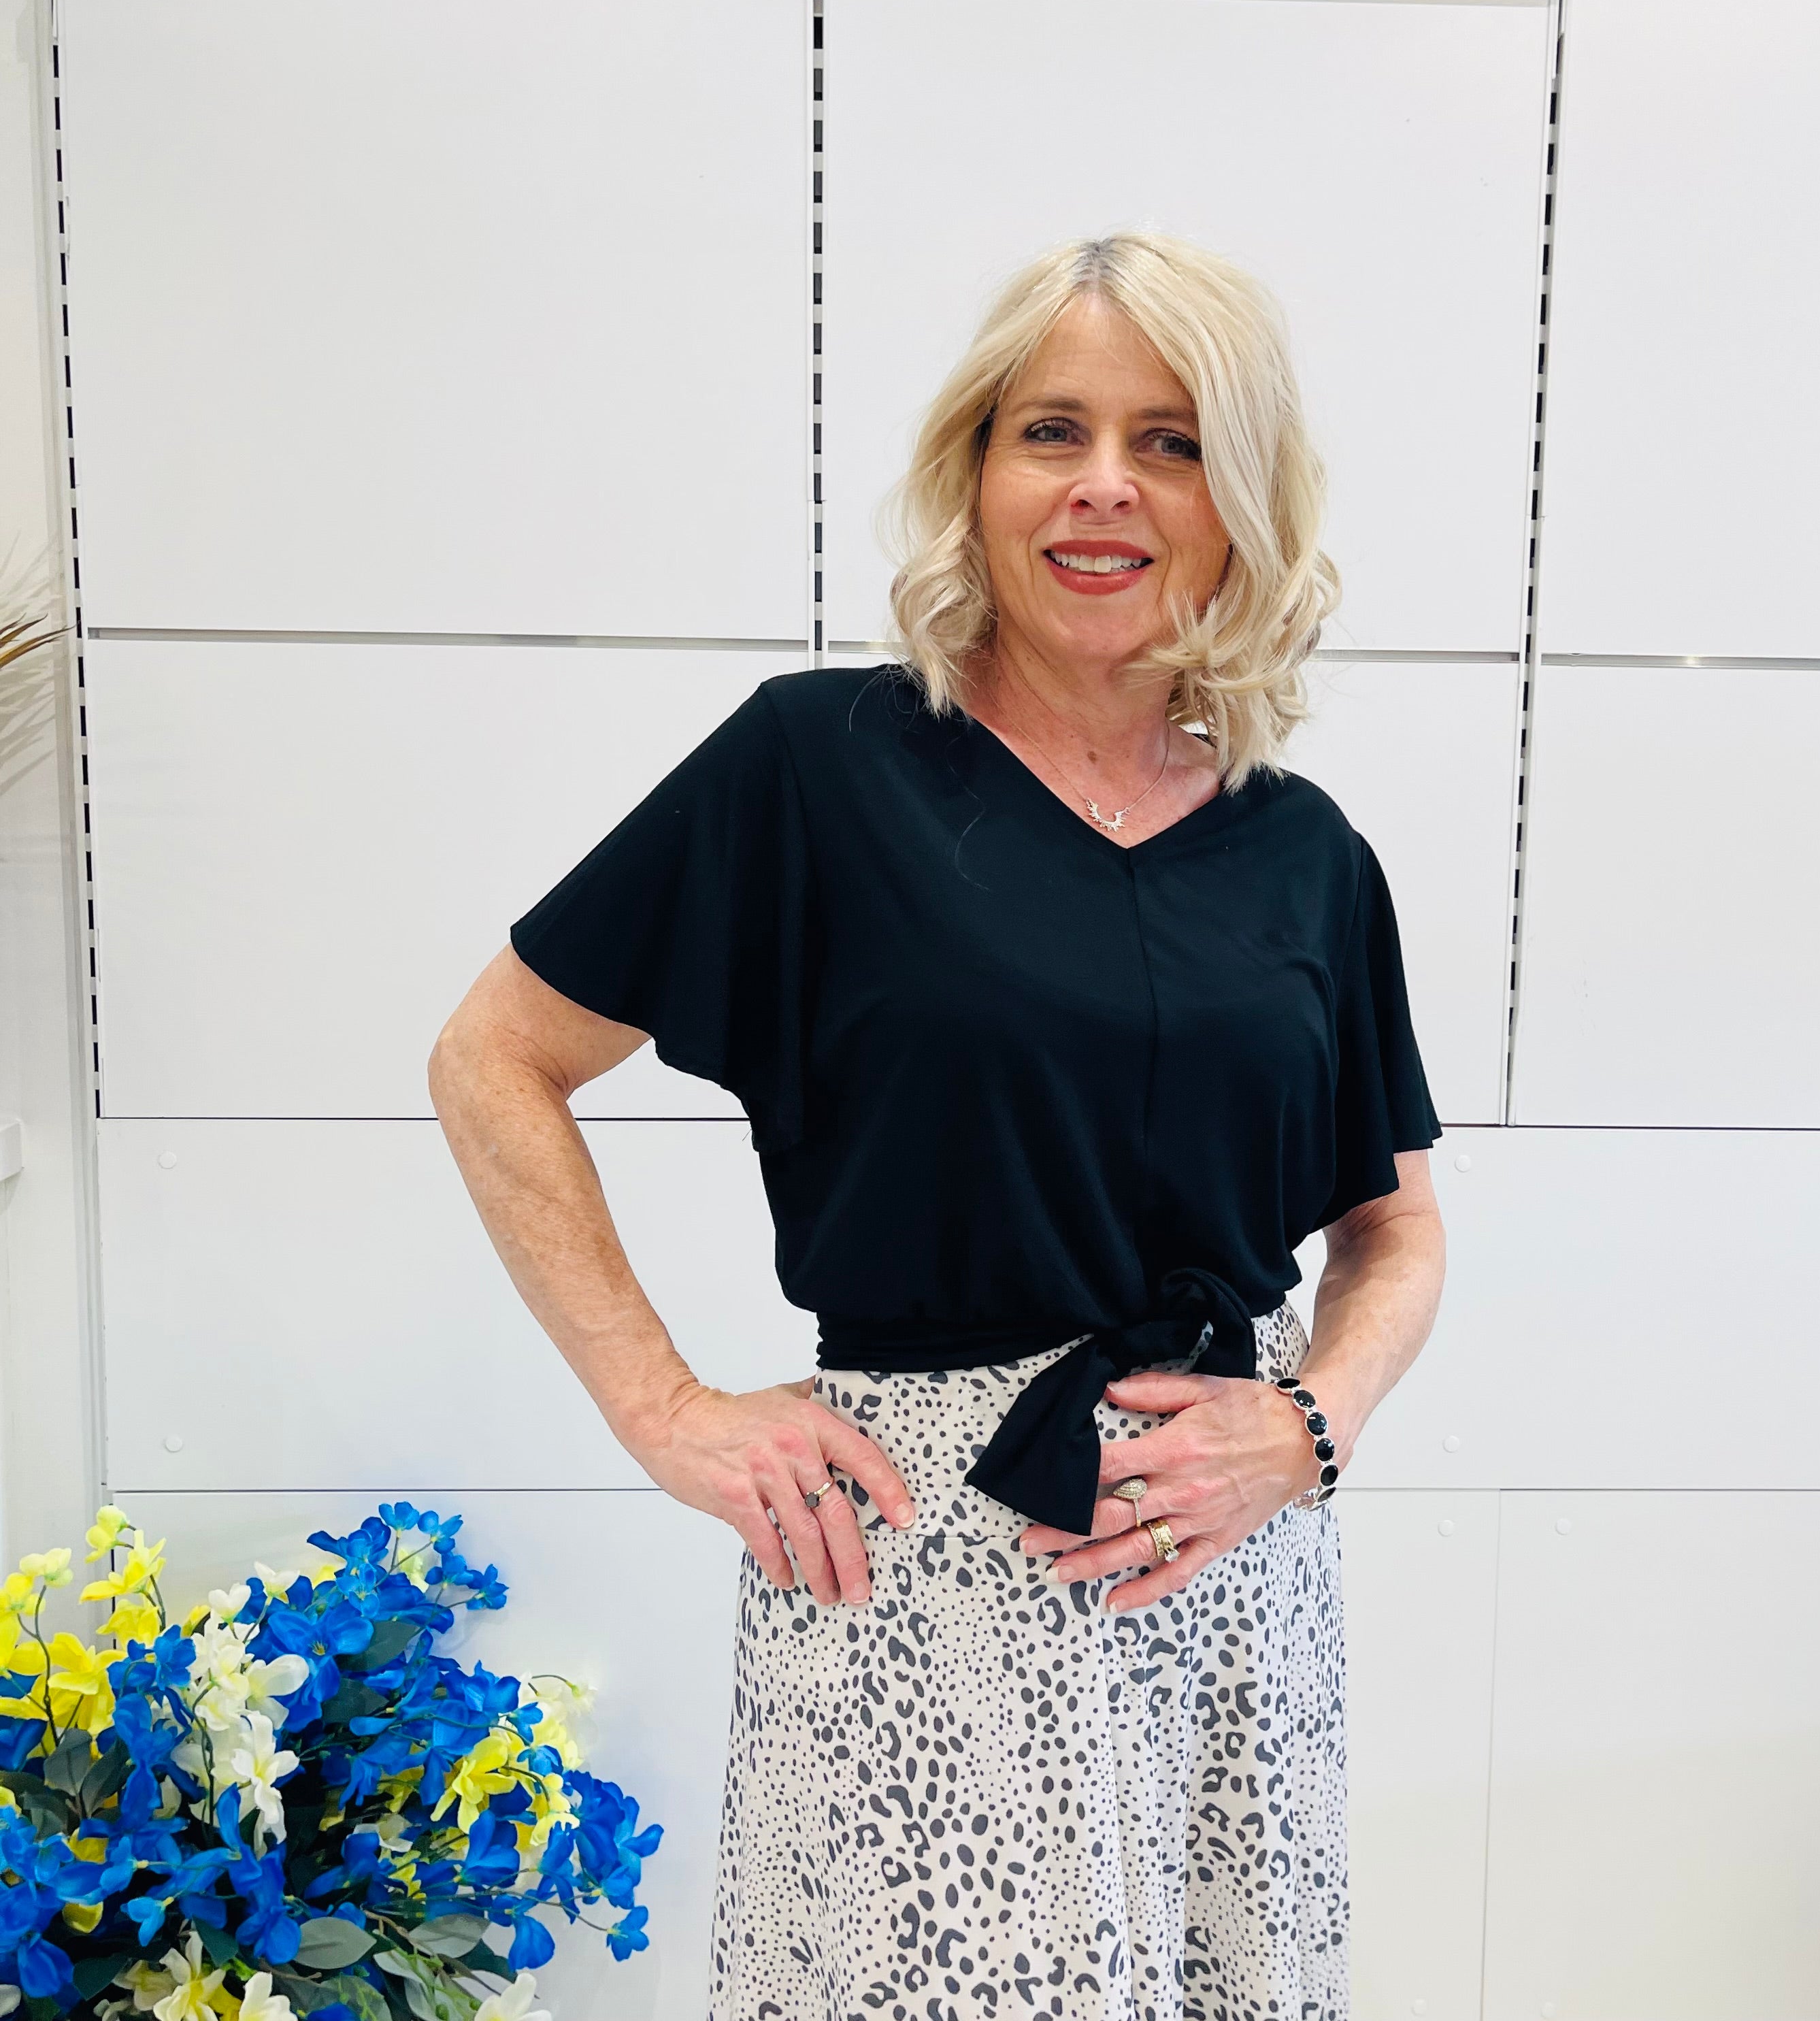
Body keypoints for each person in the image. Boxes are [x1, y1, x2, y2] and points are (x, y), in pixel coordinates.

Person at [429, 230, 1446, 2021]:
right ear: (975, 472)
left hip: (1229, 1584)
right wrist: (662, 1406)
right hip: (924, 1589)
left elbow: (1395, 1228)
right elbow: (493, 1059)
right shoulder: (819, 770)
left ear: (1244, 500)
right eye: (1052, 429)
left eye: (1176, 440)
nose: (1106, 487)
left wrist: (1311, 1422)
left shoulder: (1305, 853)